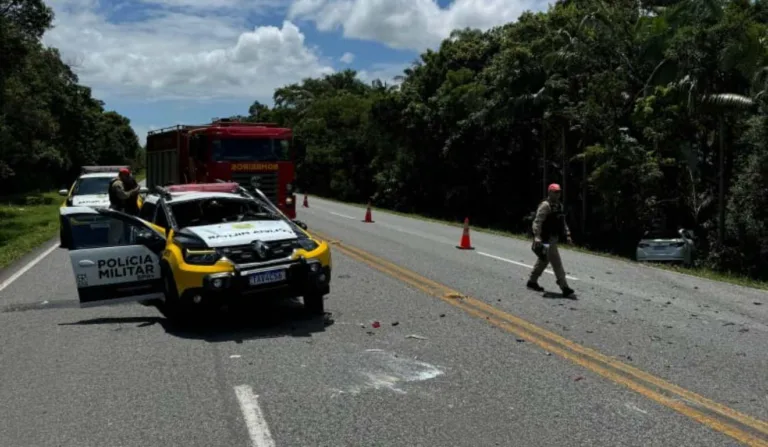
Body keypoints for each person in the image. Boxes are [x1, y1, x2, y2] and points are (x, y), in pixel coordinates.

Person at [527, 183, 575, 297]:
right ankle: (564, 287)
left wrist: (567, 234)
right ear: (549, 192)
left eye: (559, 192)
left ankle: (532, 281)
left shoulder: (559, 206)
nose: (558, 194)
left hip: (553, 238)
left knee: (543, 260)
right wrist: (537, 236)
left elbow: (563, 222)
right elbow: (537, 221)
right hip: (545, 239)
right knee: (556, 262)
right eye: (555, 192)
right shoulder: (545, 205)